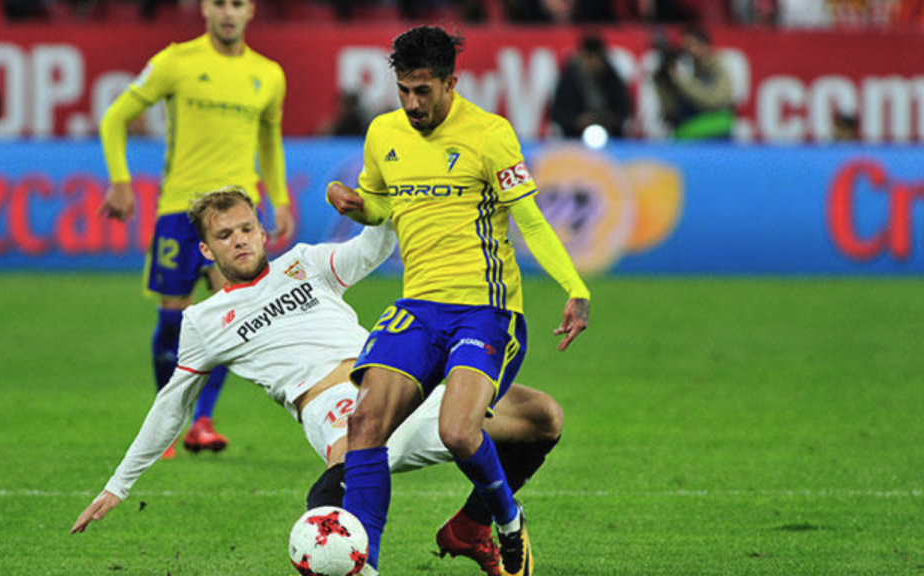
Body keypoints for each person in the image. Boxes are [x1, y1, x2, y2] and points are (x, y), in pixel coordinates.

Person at [70, 187, 565, 576]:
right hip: (336, 411)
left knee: (543, 417)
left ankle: (471, 527)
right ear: (205, 249)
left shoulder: (305, 263)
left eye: (246, 228)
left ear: (263, 232)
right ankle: (330, 536)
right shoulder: (204, 321)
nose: (239, 240)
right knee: (345, 474)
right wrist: (118, 485)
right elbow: (171, 404)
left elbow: (373, 248)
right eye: (224, 235)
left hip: (402, 384)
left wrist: (372, 208)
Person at [326, 26, 591, 576]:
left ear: (451, 82)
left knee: (457, 431)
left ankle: (508, 522)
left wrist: (575, 287)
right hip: (419, 307)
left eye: (423, 90)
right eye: (403, 90)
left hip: (485, 311)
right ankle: (364, 565)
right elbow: (382, 204)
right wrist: (355, 205)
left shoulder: (490, 134)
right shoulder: (383, 133)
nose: (412, 103)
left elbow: (530, 220)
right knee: (364, 425)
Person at [97, 0, 294, 458]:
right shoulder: (176, 61)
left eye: (237, 4)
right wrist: (120, 181)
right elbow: (115, 118)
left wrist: (280, 198)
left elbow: (269, 140)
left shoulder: (268, 74)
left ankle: (202, 420)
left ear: (250, 11)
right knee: (173, 318)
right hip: (180, 209)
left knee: (229, 317)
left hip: (235, 214)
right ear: (205, 8)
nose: (228, 13)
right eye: (219, 3)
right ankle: (165, 422)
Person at [652, 25, 735, 140]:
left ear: (705, 46)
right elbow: (671, 111)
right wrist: (662, 82)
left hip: (716, 133)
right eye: (684, 46)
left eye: (691, 45)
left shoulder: (716, 67)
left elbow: (715, 100)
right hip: (687, 133)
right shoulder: (688, 70)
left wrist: (681, 80)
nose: (688, 50)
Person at [550, 33, 631, 139]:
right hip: (575, 137)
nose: (593, 62)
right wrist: (577, 121)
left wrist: (609, 118)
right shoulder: (569, 78)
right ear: (581, 55)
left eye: (596, 57)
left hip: (610, 136)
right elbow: (557, 112)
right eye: (589, 57)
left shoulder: (612, 77)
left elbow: (624, 109)